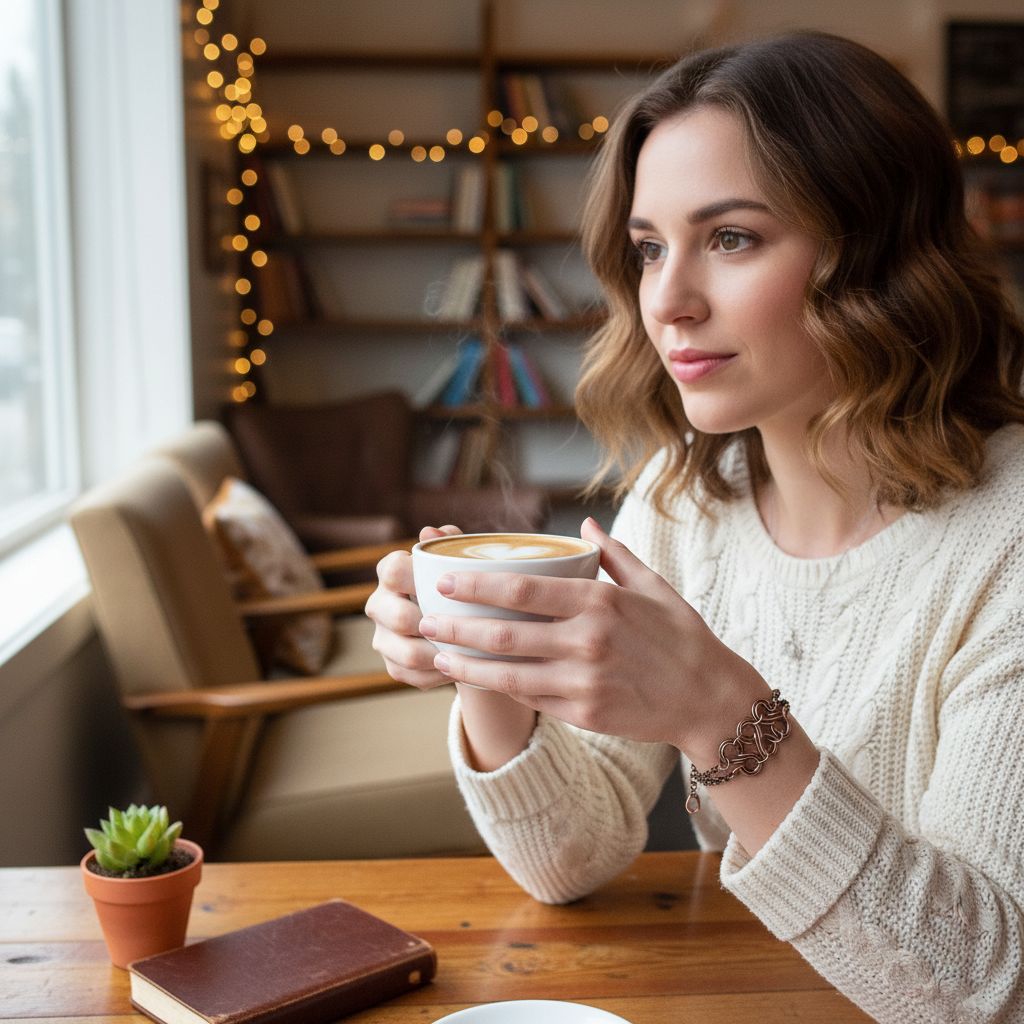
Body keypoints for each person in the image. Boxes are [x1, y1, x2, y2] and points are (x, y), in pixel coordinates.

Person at [367, 31, 1024, 1023]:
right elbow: (572, 857)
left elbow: (986, 982)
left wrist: (722, 715)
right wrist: (488, 663)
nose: (664, 299)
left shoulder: (1006, 538)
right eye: (646, 248)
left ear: (876, 254)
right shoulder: (684, 499)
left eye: (730, 238)